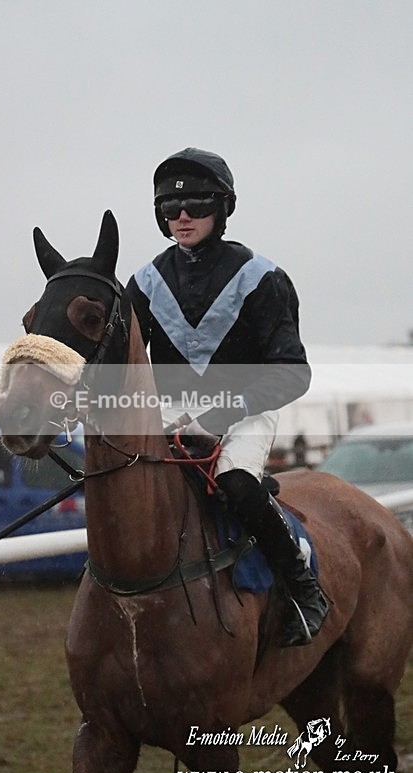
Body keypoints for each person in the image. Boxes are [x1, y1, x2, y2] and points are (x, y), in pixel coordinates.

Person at [126, 147, 328, 647]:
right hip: (170, 414)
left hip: (244, 410)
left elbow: (292, 373)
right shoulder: (144, 283)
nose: (182, 217)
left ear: (221, 208)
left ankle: (304, 589)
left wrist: (219, 415)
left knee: (236, 482)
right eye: (170, 210)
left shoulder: (262, 278)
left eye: (195, 205)